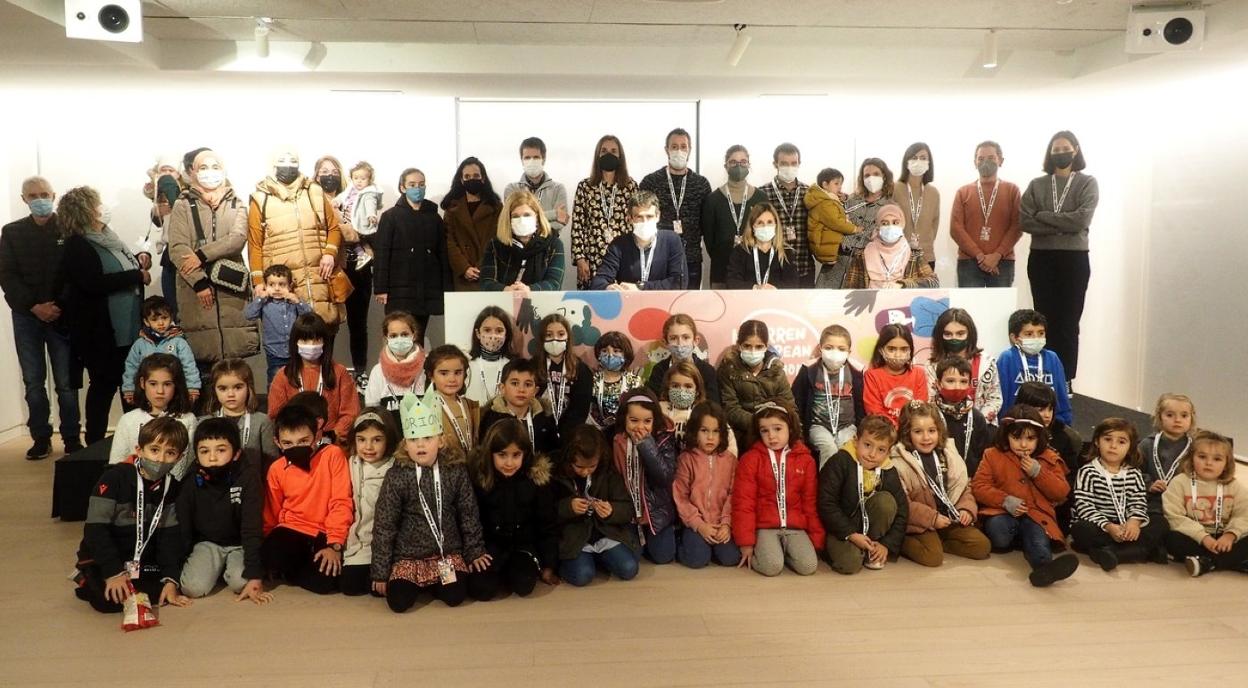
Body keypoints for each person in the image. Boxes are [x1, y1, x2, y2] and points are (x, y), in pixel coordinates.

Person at [370, 389, 490, 611]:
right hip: (408, 557)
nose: (420, 445)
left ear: (441, 440)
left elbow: (468, 513)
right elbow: (385, 524)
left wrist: (474, 551)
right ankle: (420, 584)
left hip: (446, 554)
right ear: (405, 444)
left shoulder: (455, 471)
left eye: (427, 438)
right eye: (414, 439)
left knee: (455, 597)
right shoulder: (397, 475)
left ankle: (435, 584)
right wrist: (381, 570)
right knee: (398, 603)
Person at [57, 186, 148, 444]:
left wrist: (139, 262)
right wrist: (135, 275)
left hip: (128, 327)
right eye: (97, 204)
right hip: (102, 331)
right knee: (103, 385)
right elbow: (92, 282)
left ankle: (134, 440)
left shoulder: (109, 238)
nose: (103, 208)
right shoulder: (78, 245)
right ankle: (95, 443)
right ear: (85, 210)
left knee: (131, 385)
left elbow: (119, 269)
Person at [72, 417, 191, 613]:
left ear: (180, 457)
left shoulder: (172, 488)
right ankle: (86, 576)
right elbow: (95, 529)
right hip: (107, 555)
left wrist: (170, 580)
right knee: (108, 601)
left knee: (158, 594)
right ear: (139, 450)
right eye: (154, 450)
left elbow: (170, 539)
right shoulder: (113, 478)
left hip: (142, 560)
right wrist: (113, 572)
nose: (160, 459)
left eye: (170, 453)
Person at [1, 175, 80, 458]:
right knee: (33, 382)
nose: (40, 200)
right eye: (33, 196)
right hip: (26, 317)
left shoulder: (69, 229)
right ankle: (41, 437)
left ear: (54, 195)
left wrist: (57, 305)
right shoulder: (11, 232)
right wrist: (34, 306)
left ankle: (71, 438)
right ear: (24, 199)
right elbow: (7, 275)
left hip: (62, 316)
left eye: (44, 194)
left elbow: (75, 274)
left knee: (66, 383)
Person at [165, 149, 259, 375]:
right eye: (203, 167)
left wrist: (202, 255)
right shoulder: (182, 205)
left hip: (230, 288)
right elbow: (178, 248)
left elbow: (237, 239)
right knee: (203, 365)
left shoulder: (236, 203)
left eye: (215, 167)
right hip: (195, 291)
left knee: (236, 365)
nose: (210, 172)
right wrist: (199, 282)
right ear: (193, 172)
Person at [1021, 130, 1099, 385]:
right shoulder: (1037, 185)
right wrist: (1064, 225)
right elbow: (1025, 221)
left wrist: (1044, 216)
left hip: (1074, 260)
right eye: (1056, 150)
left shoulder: (1087, 183)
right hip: (1042, 259)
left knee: (1069, 321)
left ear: (1075, 151)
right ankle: (1044, 375)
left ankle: (1065, 378)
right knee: (1043, 319)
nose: (1061, 153)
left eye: (1066, 149)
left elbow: (1081, 220)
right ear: (1049, 154)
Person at [971, 405, 1080, 587]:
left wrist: (1039, 473)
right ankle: (1019, 540)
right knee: (999, 531)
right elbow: (979, 486)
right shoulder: (993, 454)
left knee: (1038, 540)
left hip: (1035, 515)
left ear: (1039, 438)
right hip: (1002, 513)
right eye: (1017, 438)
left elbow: (1062, 491)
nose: (1023, 445)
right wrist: (1004, 500)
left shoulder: (1049, 456)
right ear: (1006, 435)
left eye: (1030, 438)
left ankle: (1044, 569)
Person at [246, 149, 344, 329]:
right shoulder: (261, 199)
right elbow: (255, 244)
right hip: (283, 283)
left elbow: (333, 228)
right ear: (274, 164)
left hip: (319, 277)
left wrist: (330, 253)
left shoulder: (314, 191)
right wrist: (258, 282)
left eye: (292, 161)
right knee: (289, 335)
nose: (288, 165)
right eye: (282, 160)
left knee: (325, 331)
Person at [262, 403, 353, 595]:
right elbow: (271, 512)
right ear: (277, 442)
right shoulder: (276, 469)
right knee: (269, 555)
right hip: (290, 528)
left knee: (326, 582)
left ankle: (292, 570)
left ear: (317, 436)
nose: (296, 448)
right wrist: (267, 545)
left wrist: (334, 544)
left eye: (303, 441)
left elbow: (341, 501)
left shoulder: (332, 455)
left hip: (322, 532)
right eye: (288, 443)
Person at [176, 418, 270, 603]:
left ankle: (229, 568)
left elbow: (252, 528)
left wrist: (255, 575)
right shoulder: (190, 480)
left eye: (221, 450)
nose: (212, 457)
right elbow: (183, 526)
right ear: (196, 454)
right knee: (192, 587)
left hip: (240, 544)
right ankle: (215, 568)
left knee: (241, 582)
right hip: (207, 543)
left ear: (236, 453)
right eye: (204, 451)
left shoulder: (248, 477)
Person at [470, 418, 561, 597]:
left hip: (523, 546)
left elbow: (547, 524)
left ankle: (512, 571)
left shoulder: (535, 480)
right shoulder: (480, 479)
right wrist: (474, 552)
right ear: (490, 453)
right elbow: (471, 520)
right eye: (502, 455)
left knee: (524, 585)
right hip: (490, 546)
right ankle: (499, 573)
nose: (509, 463)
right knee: (481, 590)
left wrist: (549, 564)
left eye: (516, 455)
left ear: (525, 454)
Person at [891, 403, 990, 567]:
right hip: (920, 522)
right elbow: (903, 504)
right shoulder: (899, 461)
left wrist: (965, 509)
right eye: (918, 432)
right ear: (907, 433)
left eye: (931, 431)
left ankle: (940, 542)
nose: (926, 437)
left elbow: (963, 487)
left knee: (982, 546)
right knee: (932, 558)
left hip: (948, 517)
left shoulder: (948, 453)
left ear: (939, 431)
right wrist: (932, 518)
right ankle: (899, 542)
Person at [732, 402, 824, 576]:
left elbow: (810, 502)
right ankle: (771, 553)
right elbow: (743, 503)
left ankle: (783, 552)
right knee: (771, 567)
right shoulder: (750, 459)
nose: (771, 436)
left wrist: (816, 538)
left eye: (777, 429)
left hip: (795, 527)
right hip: (765, 527)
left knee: (808, 566)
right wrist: (746, 542)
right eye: (764, 431)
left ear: (790, 428)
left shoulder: (806, 460)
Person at [1072, 418, 1167, 571]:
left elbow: (1138, 501)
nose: (1113, 446)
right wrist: (1109, 526)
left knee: (1160, 523)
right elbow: (1084, 506)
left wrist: (1134, 522)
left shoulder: (1134, 473)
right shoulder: (1087, 472)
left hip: (1127, 523)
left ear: (1130, 447)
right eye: (1107, 439)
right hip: (1102, 526)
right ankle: (1140, 551)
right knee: (1081, 529)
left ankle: (1112, 553)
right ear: (1097, 442)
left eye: (1121, 442)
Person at [551, 425, 640, 586]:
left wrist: (612, 510)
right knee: (582, 576)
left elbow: (628, 509)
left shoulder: (608, 472)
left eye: (592, 466)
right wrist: (569, 507)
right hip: (575, 537)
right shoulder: (557, 475)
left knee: (629, 569)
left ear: (600, 458)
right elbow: (546, 513)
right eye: (579, 466)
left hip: (605, 533)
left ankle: (598, 559)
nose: (585, 472)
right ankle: (583, 562)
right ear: (569, 459)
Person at [818, 415, 908, 573]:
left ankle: (871, 547)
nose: (872, 454)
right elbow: (826, 503)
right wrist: (851, 534)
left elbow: (903, 510)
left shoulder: (888, 470)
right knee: (850, 564)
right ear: (855, 440)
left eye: (881, 450)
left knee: (886, 502)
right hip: (840, 528)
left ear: (888, 452)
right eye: (867, 445)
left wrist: (886, 544)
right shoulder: (839, 462)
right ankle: (851, 550)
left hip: (867, 527)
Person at [373, 167, 449, 345]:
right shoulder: (390, 217)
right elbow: (382, 253)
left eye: (421, 184)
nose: (417, 188)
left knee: (418, 337)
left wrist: (446, 289)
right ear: (403, 187)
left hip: (427, 288)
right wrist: (381, 288)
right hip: (398, 289)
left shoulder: (434, 217)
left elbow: (442, 255)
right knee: (399, 336)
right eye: (412, 184)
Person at [316, 156, 372, 389]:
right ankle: (324, 373)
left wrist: (354, 231)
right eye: (324, 171)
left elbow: (364, 231)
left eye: (333, 171)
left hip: (357, 268)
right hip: (326, 269)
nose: (329, 176)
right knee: (327, 323)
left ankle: (360, 372)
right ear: (316, 175)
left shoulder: (355, 197)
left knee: (358, 324)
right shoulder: (312, 201)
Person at [1163, 430, 1248, 577]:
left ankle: (1207, 563)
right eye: (1202, 457)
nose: (1209, 463)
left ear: (1227, 463)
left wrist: (1231, 535)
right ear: (1191, 458)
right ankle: (1233, 562)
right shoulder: (1180, 482)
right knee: (1170, 538)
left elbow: (1244, 514)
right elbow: (1174, 516)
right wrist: (1203, 537)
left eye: (1217, 459)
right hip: (1194, 536)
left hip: (1225, 535)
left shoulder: (1234, 486)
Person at [266, 313, 360, 444]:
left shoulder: (339, 372)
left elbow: (351, 412)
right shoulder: (283, 376)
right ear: (295, 343)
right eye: (305, 340)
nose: (311, 345)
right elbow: (275, 416)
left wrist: (333, 435)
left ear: (325, 342)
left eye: (317, 340)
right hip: (296, 444)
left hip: (332, 442)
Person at [639, 128, 712, 289]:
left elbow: (707, 225)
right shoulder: (650, 182)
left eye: (683, 146)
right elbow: (640, 217)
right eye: (674, 146)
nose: (679, 151)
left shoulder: (702, 184)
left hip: (691, 259)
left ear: (690, 150)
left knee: (689, 303)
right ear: (667, 150)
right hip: (658, 258)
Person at [612, 388, 679, 564]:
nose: (640, 427)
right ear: (624, 418)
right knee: (630, 560)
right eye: (634, 420)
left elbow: (664, 478)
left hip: (656, 511)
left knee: (663, 557)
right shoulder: (616, 439)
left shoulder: (663, 438)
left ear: (655, 420)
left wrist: (648, 447)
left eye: (647, 421)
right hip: (628, 512)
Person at [107, 354, 198, 480]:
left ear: (176, 385)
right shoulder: (128, 420)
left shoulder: (188, 419)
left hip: (176, 487)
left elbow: (191, 465)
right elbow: (116, 465)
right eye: (153, 384)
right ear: (142, 383)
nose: (160, 391)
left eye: (167, 384)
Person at [673, 401, 740, 568]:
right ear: (694, 431)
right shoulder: (686, 459)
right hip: (695, 522)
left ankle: (712, 547)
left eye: (715, 431)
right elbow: (681, 497)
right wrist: (699, 525)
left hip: (721, 523)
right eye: (704, 431)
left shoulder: (730, 460)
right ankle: (681, 542)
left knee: (731, 558)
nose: (710, 437)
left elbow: (733, 494)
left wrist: (726, 524)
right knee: (697, 560)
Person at [340, 408, 399, 597]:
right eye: (362, 439)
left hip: (385, 546)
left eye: (377, 440)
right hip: (358, 544)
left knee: (381, 589)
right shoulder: (350, 464)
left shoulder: (395, 468)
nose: (368, 447)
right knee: (349, 586)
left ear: (388, 440)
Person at [949, 141, 1022, 288]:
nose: (985, 162)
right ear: (975, 162)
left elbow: (1017, 226)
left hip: (1002, 262)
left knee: (1000, 303)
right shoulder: (963, 192)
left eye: (991, 158)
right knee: (969, 303)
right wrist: (980, 256)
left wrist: (997, 255)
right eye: (981, 158)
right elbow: (956, 228)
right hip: (969, 262)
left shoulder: (1012, 190)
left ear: (1000, 160)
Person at [1014, 381, 1083, 535]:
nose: (1047, 415)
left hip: (1054, 502)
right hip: (1017, 502)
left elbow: (1072, 475)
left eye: (1050, 409)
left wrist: (1061, 498)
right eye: (1040, 409)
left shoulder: (1063, 437)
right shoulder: (1009, 432)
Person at [792, 324, 865, 468]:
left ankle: (846, 482)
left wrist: (861, 429)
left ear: (849, 352)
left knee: (847, 450)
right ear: (820, 349)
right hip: (818, 426)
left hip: (847, 426)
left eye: (841, 349)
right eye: (829, 347)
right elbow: (797, 400)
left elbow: (860, 404)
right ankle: (828, 482)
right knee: (829, 448)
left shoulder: (856, 371)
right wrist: (799, 433)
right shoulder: (809, 369)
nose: (835, 353)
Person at [571, 135, 638, 289]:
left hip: (623, 257)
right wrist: (580, 259)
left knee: (623, 296)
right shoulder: (585, 187)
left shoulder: (631, 186)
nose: (609, 154)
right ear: (597, 155)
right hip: (592, 258)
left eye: (614, 151)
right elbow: (578, 225)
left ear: (620, 156)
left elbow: (636, 222)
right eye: (604, 151)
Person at [718, 319, 795, 449]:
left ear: (766, 346)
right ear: (739, 345)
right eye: (747, 346)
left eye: (759, 347)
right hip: (741, 434)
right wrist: (760, 424)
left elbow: (789, 406)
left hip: (774, 431)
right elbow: (730, 409)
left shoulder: (776, 370)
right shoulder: (728, 370)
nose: (753, 351)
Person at [701, 145, 769, 289]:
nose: (738, 166)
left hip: (753, 273)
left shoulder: (761, 198)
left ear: (749, 165)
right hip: (721, 271)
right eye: (733, 162)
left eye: (743, 162)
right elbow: (709, 240)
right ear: (726, 166)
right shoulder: (713, 200)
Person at [590, 190, 687, 290]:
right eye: (639, 217)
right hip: (629, 299)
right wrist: (608, 288)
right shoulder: (619, 245)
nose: (645, 222)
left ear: (658, 216)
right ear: (630, 218)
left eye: (649, 216)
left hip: (663, 300)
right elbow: (598, 282)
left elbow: (679, 282)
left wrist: (641, 287)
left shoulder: (672, 240)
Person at [823, 158, 894, 288]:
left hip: (865, 267)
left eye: (876, 174)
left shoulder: (890, 206)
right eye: (867, 175)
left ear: (884, 176)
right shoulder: (851, 199)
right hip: (836, 263)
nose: (871, 178)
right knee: (825, 299)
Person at [924, 308, 1003, 424]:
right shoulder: (932, 366)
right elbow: (931, 401)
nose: (954, 338)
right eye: (948, 334)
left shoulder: (986, 362)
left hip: (982, 425)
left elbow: (994, 399)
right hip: (943, 426)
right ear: (940, 336)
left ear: (970, 334)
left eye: (960, 334)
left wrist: (977, 422)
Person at [995, 309, 1072, 426]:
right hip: (1016, 425)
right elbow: (1002, 399)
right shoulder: (1007, 358)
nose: (1036, 338)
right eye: (1029, 334)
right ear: (1014, 338)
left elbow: (1062, 398)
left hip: (1048, 425)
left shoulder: (1052, 358)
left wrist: (1064, 424)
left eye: (1041, 333)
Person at [480, 189, 565, 292]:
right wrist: (506, 289)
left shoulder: (554, 244)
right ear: (508, 219)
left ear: (537, 217)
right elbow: (486, 282)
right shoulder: (495, 245)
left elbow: (554, 283)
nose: (521, 220)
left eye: (527, 215)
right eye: (515, 216)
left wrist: (529, 290)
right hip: (503, 300)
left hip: (540, 301)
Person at [122, 296, 202, 405]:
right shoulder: (139, 345)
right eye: (154, 319)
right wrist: (129, 389)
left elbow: (189, 365)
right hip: (147, 395)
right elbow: (131, 368)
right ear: (146, 322)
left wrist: (192, 388)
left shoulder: (179, 342)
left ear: (171, 317)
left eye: (164, 318)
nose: (160, 323)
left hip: (175, 393)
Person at [203, 358, 278, 470]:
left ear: (249, 388)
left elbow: (272, 464)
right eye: (223, 388)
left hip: (253, 480)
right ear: (214, 391)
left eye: (238, 387)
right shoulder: (205, 423)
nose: (231, 394)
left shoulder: (262, 422)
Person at [842, 202, 938, 289]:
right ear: (878, 227)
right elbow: (850, 288)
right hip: (871, 302)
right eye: (884, 223)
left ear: (902, 225)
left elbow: (933, 282)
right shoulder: (862, 255)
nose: (890, 227)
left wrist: (903, 285)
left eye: (895, 222)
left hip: (901, 302)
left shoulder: (913, 255)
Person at [244, 264, 313, 385]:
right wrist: (260, 299)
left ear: (290, 286)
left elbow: (309, 317)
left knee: (297, 380)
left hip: (295, 350)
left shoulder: (293, 302)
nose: (277, 289)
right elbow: (249, 315)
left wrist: (298, 302)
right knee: (275, 381)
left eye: (282, 284)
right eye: (271, 284)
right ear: (265, 286)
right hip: (274, 352)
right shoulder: (264, 303)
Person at [478, 358, 560, 456]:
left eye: (528, 384)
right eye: (515, 383)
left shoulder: (545, 419)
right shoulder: (490, 420)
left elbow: (554, 453)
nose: (521, 390)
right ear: (502, 388)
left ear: (535, 391)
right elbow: (485, 455)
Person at [443, 157, 502, 293]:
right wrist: (464, 267)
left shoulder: (496, 207)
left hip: (490, 272)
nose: (472, 179)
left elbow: (499, 238)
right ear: (461, 180)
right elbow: (449, 241)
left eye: (476, 176)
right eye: (467, 177)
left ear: (483, 178)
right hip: (462, 275)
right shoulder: (451, 208)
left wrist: (483, 266)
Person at [658, 359, 737, 455]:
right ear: (668, 388)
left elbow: (729, 443)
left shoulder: (707, 411)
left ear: (697, 391)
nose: (681, 391)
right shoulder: (658, 410)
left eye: (688, 386)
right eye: (675, 386)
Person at [1139, 393, 1196, 523]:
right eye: (1170, 415)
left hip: (1184, 504)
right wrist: (1149, 484)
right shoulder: (1147, 444)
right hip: (1153, 502)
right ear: (1160, 417)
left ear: (1191, 418)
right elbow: (1133, 471)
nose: (1177, 420)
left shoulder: (1196, 447)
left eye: (1184, 415)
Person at [532, 313, 592, 437]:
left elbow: (580, 410)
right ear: (542, 338)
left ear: (568, 337)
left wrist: (566, 434)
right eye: (549, 335)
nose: (555, 339)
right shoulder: (532, 366)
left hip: (569, 434)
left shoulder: (581, 370)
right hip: (538, 431)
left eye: (560, 334)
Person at [761, 143, 813, 284]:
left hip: (804, 267)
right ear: (775, 164)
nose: (789, 167)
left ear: (799, 164)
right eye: (784, 163)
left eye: (793, 163)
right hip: (773, 270)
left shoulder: (809, 193)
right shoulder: (762, 193)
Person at [932, 357, 993, 478]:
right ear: (938, 384)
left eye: (963, 382)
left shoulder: (977, 417)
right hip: (938, 479)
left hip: (970, 479)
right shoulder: (930, 415)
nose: (957, 386)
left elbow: (983, 455)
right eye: (950, 381)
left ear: (970, 385)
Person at [645, 313, 721, 403]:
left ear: (695, 341)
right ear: (665, 342)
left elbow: (713, 406)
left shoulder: (707, 371)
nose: (680, 343)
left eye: (686, 337)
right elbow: (652, 403)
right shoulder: (659, 370)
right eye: (673, 338)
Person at [503, 136, 570, 237]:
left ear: (543, 159)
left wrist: (524, 222)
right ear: (522, 160)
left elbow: (560, 223)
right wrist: (554, 214)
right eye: (527, 158)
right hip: (519, 245)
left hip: (550, 244)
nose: (531, 161)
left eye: (536, 157)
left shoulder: (558, 189)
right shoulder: (512, 189)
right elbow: (510, 221)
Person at [863, 323, 929, 425]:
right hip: (884, 430)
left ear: (910, 350)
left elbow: (921, 409)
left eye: (904, 349)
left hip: (912, 429)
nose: (898, 354)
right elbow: (874, 412)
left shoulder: (918, 374)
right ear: (881, 350)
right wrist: (893, 429)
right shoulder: (872, 376)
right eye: (891, 349)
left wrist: (908, 430)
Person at [364, 311, 427, 417]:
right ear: (386, 338)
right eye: (393, 336)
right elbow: (371, 411)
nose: (399, 339)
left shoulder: (426, 368)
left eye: (404, 334)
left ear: (414, 335)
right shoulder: (378, 371)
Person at [805, 168, 859, 288]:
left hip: (828, 242)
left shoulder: (826, 198)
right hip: (826, 245)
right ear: (825, 184)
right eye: (836, 184)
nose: (840, 187)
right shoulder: (825, 203)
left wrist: (843, 199)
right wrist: (854, 229)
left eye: (841, 184)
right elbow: (837, 222)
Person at [724, 203, 798, 289]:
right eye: (760, 223)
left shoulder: (786, 252)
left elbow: (793, 283)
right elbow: (732, 282)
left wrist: (773, 289)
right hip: (749, 297)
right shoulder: (740, 251)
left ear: (776, 225)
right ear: (753, 226)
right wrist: (755, 288)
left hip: (776, 297)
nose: (765, 226)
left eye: (769, 222)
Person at [424, 344, 480, 458]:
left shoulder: (471, 406)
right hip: (443, 466)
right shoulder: (425, 407)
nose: (452, 379)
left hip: (472, 465)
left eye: (458, 372)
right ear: (431, 376)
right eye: (444, 373)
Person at [895, 142, 941, 270]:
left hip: (926, 257)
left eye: (923, 158)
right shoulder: (895, 189)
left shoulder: (933, 193)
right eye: (914, 158)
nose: (918, 161)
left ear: (929, 163)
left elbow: (934, 226)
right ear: (906, 162)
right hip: (898, 257)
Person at [588, 331, 643, 433]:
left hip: (626, 432)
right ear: (598, 355)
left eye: (616, 351)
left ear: (626, 355)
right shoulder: (591, 380)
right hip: (596, 431)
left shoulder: (634, 382)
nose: (610, 355)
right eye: (604, 351)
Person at [465, 306, 515, 406]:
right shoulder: (466, 365)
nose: (493, 336)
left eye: (499, 331)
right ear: (478, 333)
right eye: (487, 330)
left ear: (506, 334)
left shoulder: (513, 366)